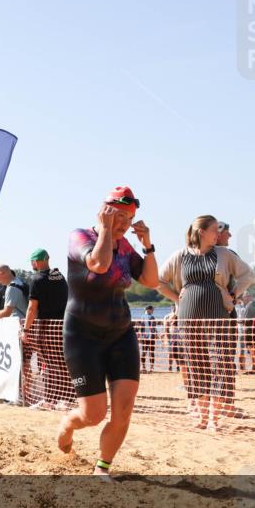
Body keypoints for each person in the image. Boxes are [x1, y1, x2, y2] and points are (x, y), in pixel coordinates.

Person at [56, 187, 160, 478]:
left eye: (129, 218)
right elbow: (99, 264)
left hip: (120, 334)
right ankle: (67, 424)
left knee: (124, 410)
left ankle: (103, 467)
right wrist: (104, 230)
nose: (124, 224)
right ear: (104, 212)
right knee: (93, 415)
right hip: (82, 335)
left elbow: (151, 281)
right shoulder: (80, 237)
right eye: (118, 216)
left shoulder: (126, 246)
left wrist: (147, 245)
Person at [158, 215, 255, 431]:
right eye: (214, 230)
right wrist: (177, 299)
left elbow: (248, 275)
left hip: (218, 314)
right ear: (202, 232)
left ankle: (214, 419)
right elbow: (159, 281)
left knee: (220, 362)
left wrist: (234, 293)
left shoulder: (224, 253)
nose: (218, 234)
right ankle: (202, 417)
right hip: (188, 317)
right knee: (196, 364)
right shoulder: (180, 255)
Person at [21, 249, 69, 409]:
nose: (32, 265)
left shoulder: (37, 279)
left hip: (46, 327)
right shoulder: (61, 277)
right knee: (62, 363)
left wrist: (26, 330)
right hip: (63, 325)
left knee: (49, 364)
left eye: (32, 262)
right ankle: (66, 398)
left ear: (36, 261)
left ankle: (50, 400)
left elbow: (32, 308)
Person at [137, 305, 158, 372]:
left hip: (144, 336)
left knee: (144, 352)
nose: (153, 311)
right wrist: (156, 334)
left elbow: (140, 328)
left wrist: (140, 336)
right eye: (152, 310)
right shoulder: (152, 317)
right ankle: (151, 368)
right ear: (148, 310)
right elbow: (153, 327)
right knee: (151, 352)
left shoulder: (141, 317)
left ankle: (143, 367)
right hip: (151, 336)